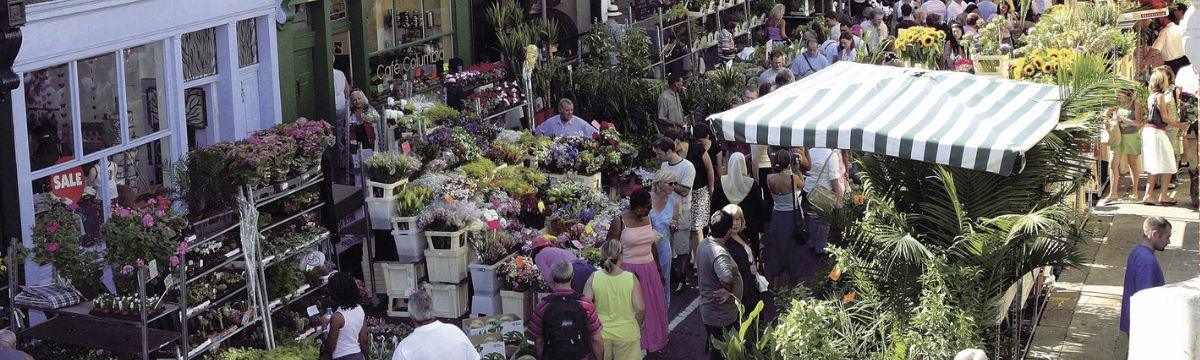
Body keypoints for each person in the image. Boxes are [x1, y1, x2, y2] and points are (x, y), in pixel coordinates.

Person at [605, 189, 669, 352]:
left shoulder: (649, 219)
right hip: (627, 271)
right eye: (647, 207)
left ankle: (652, 342)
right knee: (631, 309)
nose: (650, 210)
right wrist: (612, 277)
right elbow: (610, 251)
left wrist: (659, 271)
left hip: (649, 270)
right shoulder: (619, 222)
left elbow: (652, 246)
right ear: (637, 207)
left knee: (651, 308)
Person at [584, 240, 646, 360]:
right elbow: (640, 308)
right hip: (627, 333)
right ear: (621, 256)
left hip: (602, 333)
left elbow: (585, 307)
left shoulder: (594, 277)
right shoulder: (631, 278)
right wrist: (638, 324)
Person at [530, 261, 605, 360]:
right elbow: (596, 339)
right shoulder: (585, 304)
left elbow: (539, 341)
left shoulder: (543, 306)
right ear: (572, 275)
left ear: (552, 277)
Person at [696, 210, 743, 360]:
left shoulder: (704, 243)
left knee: (715, 348)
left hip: (710, 310)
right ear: (728, 230)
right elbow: (727, 279)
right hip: (721, 315)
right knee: (722, 353)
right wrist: (729, 290)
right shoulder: (718, 252)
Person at [654, 137, 697, 292]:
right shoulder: (664, 164)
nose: (658, 157)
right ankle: (670, 274)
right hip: (665, 209)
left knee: (682, 247)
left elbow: (685, 191)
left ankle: (682, 277)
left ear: (670, 151)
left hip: (682, 211)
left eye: (660, 154)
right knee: (666, 245)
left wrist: (669, 183)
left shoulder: (687, 167)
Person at [1119, 216, 1171, 334]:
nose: (1168, 242)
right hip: (1141, 325)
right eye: (1167, 237)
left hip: (1133, 320)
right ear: (1154, 234)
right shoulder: (1147, 261)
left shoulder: (1137, 251)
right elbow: (1146, 297)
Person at [392, 291, 480, 360]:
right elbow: (475, 358)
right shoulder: (455, 331)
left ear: (411, 316)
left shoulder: (405, 348)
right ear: (433, 311)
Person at [765, 150, 806, 288]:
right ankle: (793, 284)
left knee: (776, 248)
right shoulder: (793, 177)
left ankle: (775, 284)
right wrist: (797, 168)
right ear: (788, 162)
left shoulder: (769, 178)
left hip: (777, 215)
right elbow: (803, 185)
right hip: (792, 216)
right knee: (793, 249)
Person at [1143, 69, 1183, 205]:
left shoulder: (1151, 96)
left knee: (1155, 164)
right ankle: (1163, 195)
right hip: (1157, 133)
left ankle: (1150, 195)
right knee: (1168, 163)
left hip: (1151, 132)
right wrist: (1180, 125)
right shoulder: (1159, 96)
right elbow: (1165, 117)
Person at [1104, 89, 1143, 204]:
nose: (1118, 97)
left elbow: (1138, 122)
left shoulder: (1136, 103)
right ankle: (1113, 193)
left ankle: (1135, 191)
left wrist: (1122, 120)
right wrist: (1107, 116)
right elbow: (1107, 115)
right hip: (1118, 136)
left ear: (1127, 94)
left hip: (1131, 136)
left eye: (1120, 95)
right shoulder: (1117, 104)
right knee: (1113, 164)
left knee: (1132, 164)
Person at [649, 169, 682, 306]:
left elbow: (674, 227)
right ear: (660, 183)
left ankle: (663, 308)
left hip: (663, 246)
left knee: (664, 279)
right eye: (670, 183)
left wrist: (675, 226)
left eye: (675, 183)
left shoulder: (674, 202)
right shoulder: (647, 198)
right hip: (646, 246)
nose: (673, 186)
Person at [803, 148, 846, 255]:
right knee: (824, 221)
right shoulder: (832, 155)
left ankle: (812, 243)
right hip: (823, 192)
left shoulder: (811, 151)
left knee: (813, 217)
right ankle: (820, 248)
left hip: (809, 190)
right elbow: (833, 177)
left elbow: (806, 170)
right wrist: (838, 195)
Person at [719, 204, 761, 310]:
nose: (735, 223)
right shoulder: (726, 243)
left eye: (737, 219)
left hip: (750, 283)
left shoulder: (741, 234)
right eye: (731, 220)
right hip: (740, 289)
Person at [322, 272, 370, 360]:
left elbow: (331, 347)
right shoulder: (359, 309)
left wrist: (324, 328)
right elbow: (364, 340)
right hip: (357, 355)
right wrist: (366, 357)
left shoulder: (337, 317)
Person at [532, 235, 597, 294]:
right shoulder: (556, 250)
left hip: (575, 273)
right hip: (588, 268)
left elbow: (548, 276)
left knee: (579, 303)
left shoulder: (539, 256)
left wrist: (557, 293)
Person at [1155, 8, 1188, 76]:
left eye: (1160, 17)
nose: (1159, 19)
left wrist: (1145, 60)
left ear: (1166, 18)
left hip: (1173, 63)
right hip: (1184, 60)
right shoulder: (1179, 28)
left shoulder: (1164, 31)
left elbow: (1155, 48)